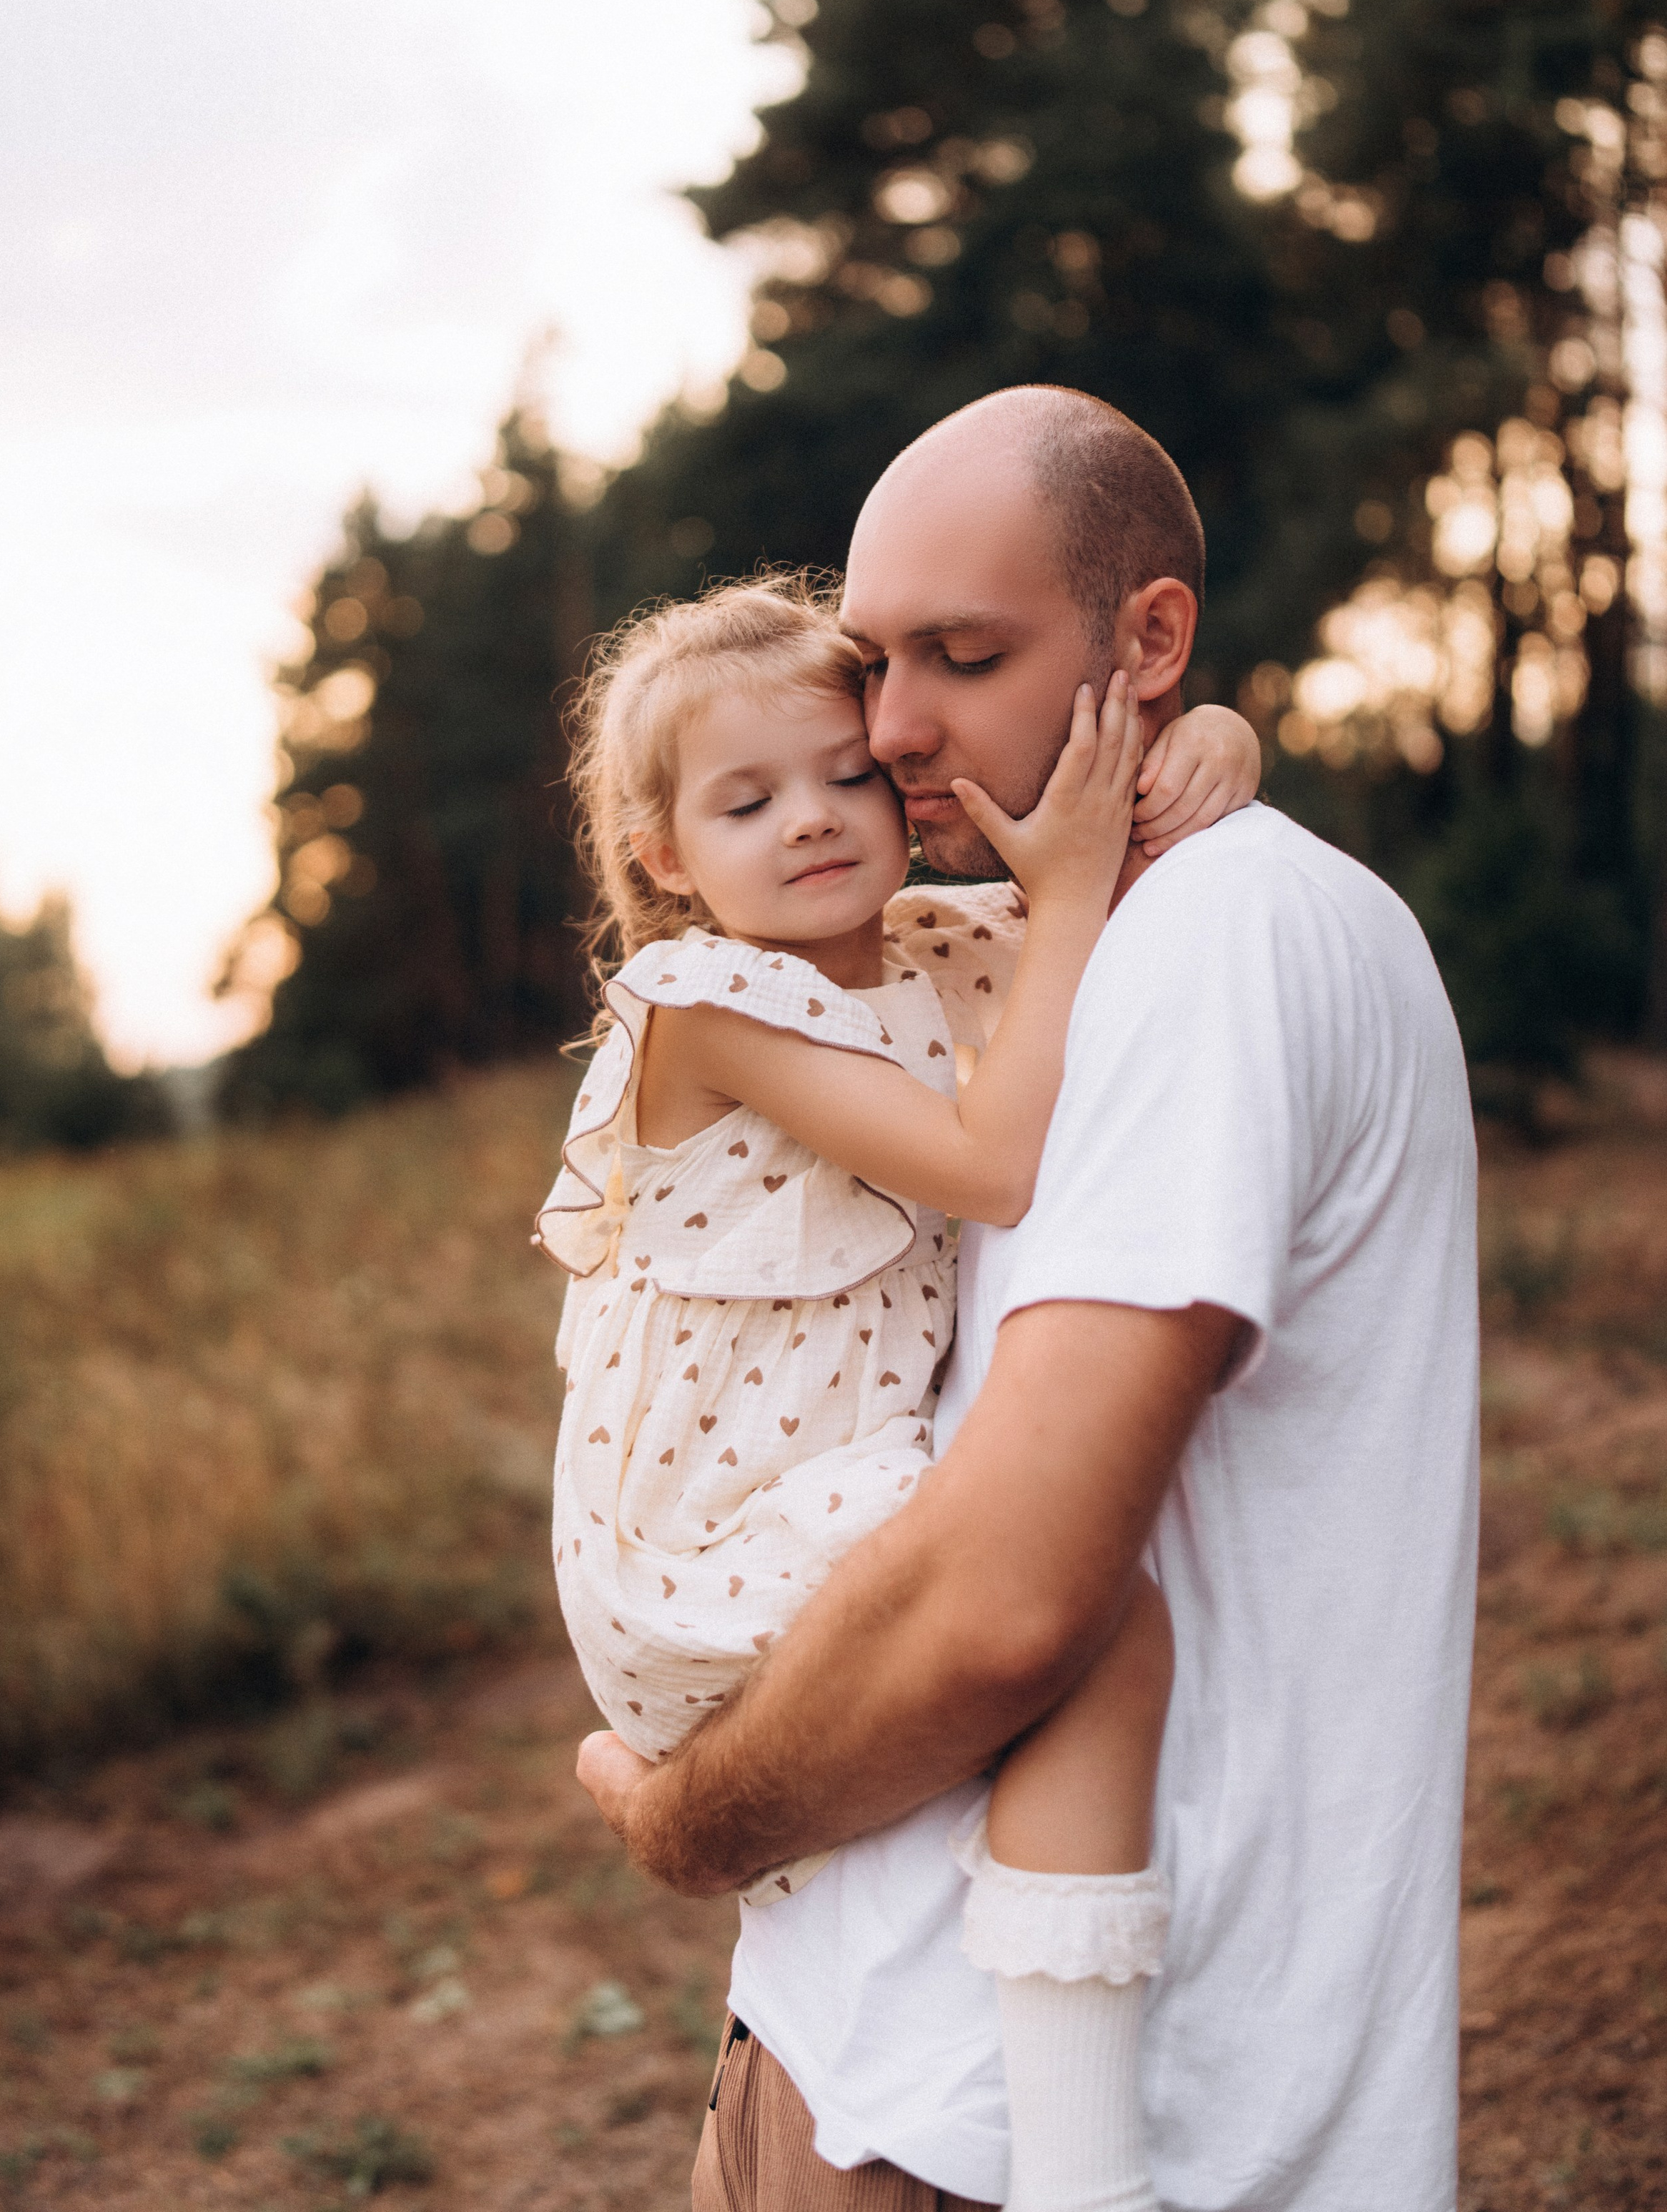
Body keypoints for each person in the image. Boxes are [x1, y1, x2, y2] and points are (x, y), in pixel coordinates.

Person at [576, 387, 1480, 2212]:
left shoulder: (1200, 935)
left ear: (1143, 638)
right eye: (868, 669)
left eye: (961, 658)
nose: (888, 736)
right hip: (876, 2037)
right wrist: (1175, 757)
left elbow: (1005, 1610)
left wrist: (686, 1825)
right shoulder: (995, 943)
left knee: (1086, 1629)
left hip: (980, 2115)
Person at [538, 573, 1262, 2211]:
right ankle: (1085, 2173)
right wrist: (1070, 894)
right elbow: (988, 1163)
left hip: (828, 1472)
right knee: (1086, 1607)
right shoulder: (703, 1005)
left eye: (843, 774)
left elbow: (1132, 882)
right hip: (704, 1535)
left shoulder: (933, 949)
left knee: (1051, 1586)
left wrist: (1210, 737)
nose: (810, 818)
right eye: (746, 799)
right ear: (667, 859)